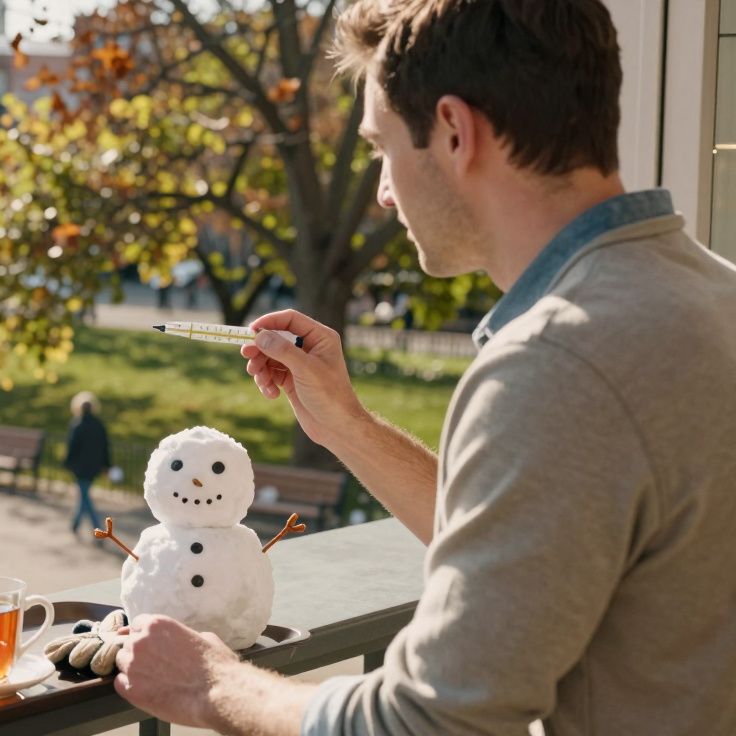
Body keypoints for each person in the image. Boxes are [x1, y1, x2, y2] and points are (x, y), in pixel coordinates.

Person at [113, 3, 736, 736]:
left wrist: (211, 684)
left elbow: (423, 722)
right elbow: (542, 543)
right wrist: (346, 425)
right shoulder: (709, 294)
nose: (382, 191)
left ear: (453, 131)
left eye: (381, 146)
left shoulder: (557, 364)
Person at [64, 391, 110, 537]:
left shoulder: (77, 425)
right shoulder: (99, 425)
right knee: (84, 496)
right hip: (93, 468)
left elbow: (72, 447)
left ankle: (98, 528)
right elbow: (105, 448)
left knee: (85, 498)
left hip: (80, 468)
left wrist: (67, 463)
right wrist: (106, 465)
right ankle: (75, 524)